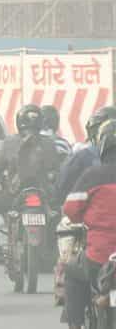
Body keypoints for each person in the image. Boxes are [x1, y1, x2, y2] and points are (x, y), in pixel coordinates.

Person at [0, 104, 65, 264]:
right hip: (44, 195)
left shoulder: (10, 142)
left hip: (15, 194)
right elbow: (56, 169)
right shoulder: (48, 143)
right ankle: (54, 249)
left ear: (19, 122)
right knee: (57, 213)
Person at [62, 121, 116, 329]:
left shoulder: (92, 176)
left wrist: (82, 219)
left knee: (72, 272)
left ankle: (76, 324)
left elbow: (71, 210)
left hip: (98, 256)